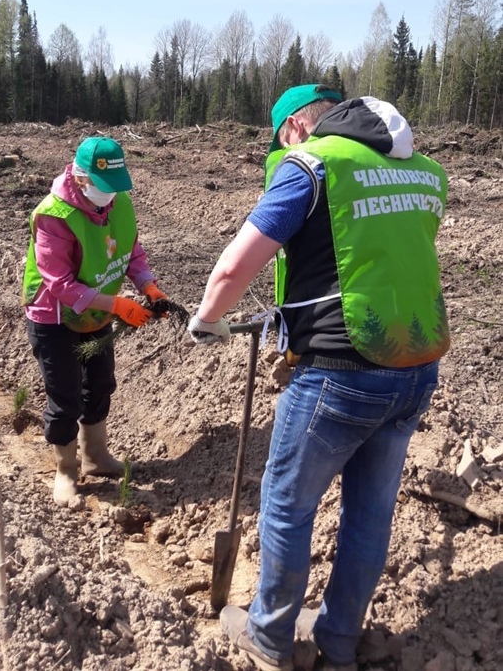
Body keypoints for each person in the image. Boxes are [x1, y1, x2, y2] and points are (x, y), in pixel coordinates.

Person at [188, 85, 450, 671]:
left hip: (339, 373)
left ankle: (270, 638)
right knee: (369, 514)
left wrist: (206, 320)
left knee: (286, 504)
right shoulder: (425, 172)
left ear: (292, 131)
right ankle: (337, 645)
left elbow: (236, 263)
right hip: (414, 370)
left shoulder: (310, 165)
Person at [22, 136, 167, 507]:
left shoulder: (119, 203)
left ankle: (95, 457)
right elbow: (60, 285)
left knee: (101, 381)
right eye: (104, 188)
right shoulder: (53, 215)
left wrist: (148, 286)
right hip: (55, 315)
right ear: (81, 178)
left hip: (98, 309)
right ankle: (66, 470)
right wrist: (118, 305)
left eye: (116, 189)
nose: (111, 196)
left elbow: (132, 251)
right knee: (65, 392)